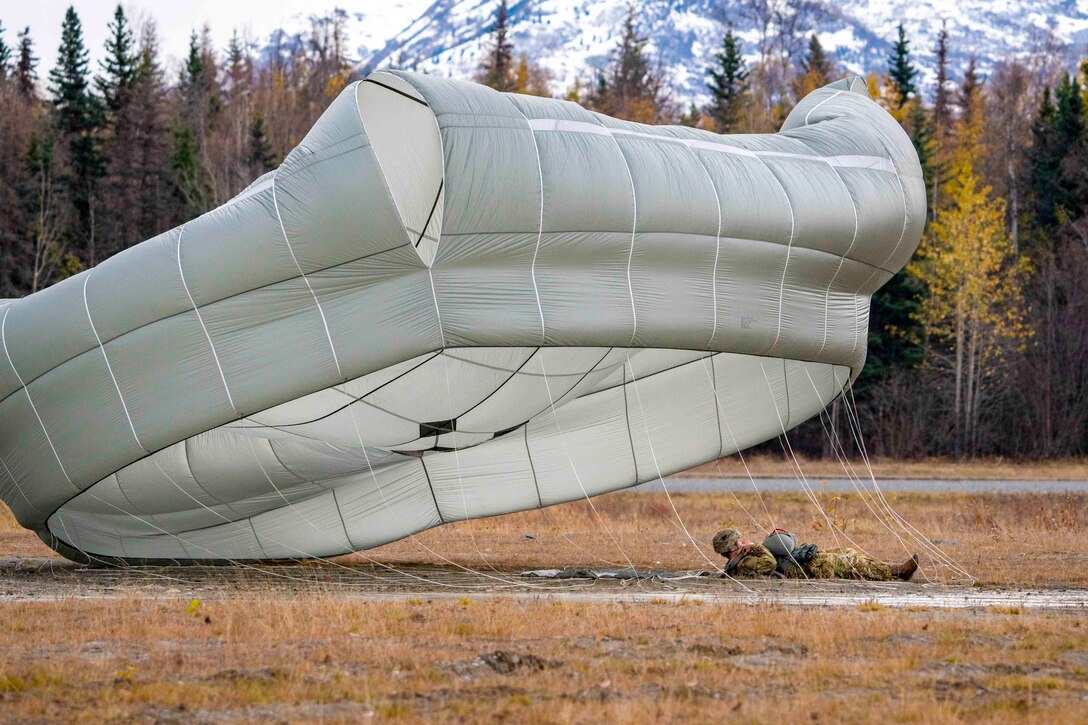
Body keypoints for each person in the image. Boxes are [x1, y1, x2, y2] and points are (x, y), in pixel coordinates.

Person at [711, 528, 919, 581]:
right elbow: (768, 563)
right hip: (805, 571)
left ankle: (890, 571)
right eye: (739, 540)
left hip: (801, 562)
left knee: (847, 552)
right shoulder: (741, 564)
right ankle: (896, 572)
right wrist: (757, 547)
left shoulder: (742, 559)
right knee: (849, 562)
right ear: (732, 548)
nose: (744, 540)